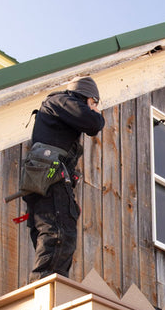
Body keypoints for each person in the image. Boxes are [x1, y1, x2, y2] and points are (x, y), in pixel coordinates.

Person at [24, 76, 105, 281]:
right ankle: (48, 288)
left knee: (49, 233)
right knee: (60, 233)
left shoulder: (57, 107)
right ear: (88, 97)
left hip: (42, 181)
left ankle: (49, 283)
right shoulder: (63, 101)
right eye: (94, 103)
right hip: (52, 181)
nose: (94, 108)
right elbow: (94, 124)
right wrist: (95, 111)